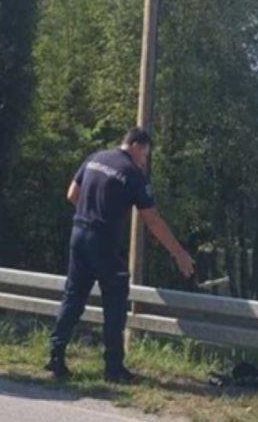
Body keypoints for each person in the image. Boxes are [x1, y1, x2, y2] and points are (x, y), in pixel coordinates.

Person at [45, 127, 194, 383]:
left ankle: (55, 356)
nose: (144, 162)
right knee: (115, 299)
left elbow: (72, 194)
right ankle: (113, 368)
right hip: (103, 240)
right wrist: (179, 253)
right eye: (145, 156)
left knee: (73, 296)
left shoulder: (95, 157)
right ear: (137, 146)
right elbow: (153, 220)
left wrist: (92, 211)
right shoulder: (133, 174)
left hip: (78, 232)